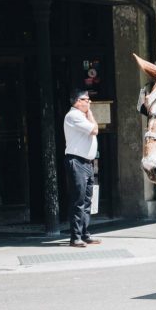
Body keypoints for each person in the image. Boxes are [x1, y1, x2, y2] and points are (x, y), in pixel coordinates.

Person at [63, 89, 101, 248]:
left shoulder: (80, 116)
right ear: (77, 102)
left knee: (87, 201)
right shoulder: (73, 115)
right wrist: (90, 114)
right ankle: (75, 237)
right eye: (86, 100)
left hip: (86, 162)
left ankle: (85, 234)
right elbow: (95, 130)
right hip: (77, 162)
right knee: (78, 200)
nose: (89, 102)